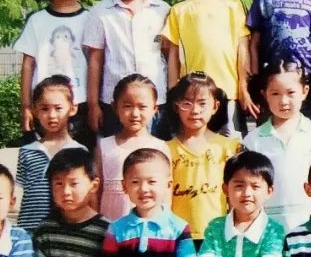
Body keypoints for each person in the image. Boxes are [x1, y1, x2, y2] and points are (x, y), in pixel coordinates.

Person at [162, 0, 253, 136]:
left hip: (228, 93)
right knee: (193, 143)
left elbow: (242, 49)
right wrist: (174, 92)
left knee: (231, 146)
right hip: (192, 96)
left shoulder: (233, 5)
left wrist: (243, 88)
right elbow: (173, 55)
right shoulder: (179, 10)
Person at [82, 0, 169, 137]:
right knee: (116, 151)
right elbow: (95, 60)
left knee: (153, 152)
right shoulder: (101, 12)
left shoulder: (163, 11)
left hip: (155, 103)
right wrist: (93, 104)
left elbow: (167, 55)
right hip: (114, 104)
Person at [242, 60, 311, 233]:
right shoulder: (253, 141)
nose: (283, 101)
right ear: (264, 94)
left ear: (304, 91)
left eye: (291, 93)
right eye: (275, 93)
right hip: (268, 229)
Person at [14, 0, 90, 139]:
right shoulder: (37, 20)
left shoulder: (91, 20)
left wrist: (94, 104)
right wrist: (26, 106)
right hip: (44, 107)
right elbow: (28, 65)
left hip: (80, 106)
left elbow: (96, 63)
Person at [167, 72, 243, 244]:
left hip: (217, 235)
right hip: (179, 235)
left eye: (202, 103)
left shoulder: (229, 147)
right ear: (176, 106)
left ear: (215, 106)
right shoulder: (166, 149)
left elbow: (234, 195)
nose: (195, 110)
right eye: (187, 103)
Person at [15, 75, 89, 232]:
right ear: (35, 110)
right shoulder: (27, 151)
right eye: (44, 109)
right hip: (30, 229)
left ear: (72, 108)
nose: (52, 115)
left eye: (58, 108)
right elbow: (22, 191)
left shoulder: (79, 151)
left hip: (64, 231)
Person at [95, 74, 166, 221]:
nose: (135, 114)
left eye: (142, 107)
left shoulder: (160, 147)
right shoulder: (104, 146)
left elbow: (166, 195)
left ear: (155, 108)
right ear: (115, 107)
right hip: (110, 228)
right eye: (127, 106)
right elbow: (95, 192)